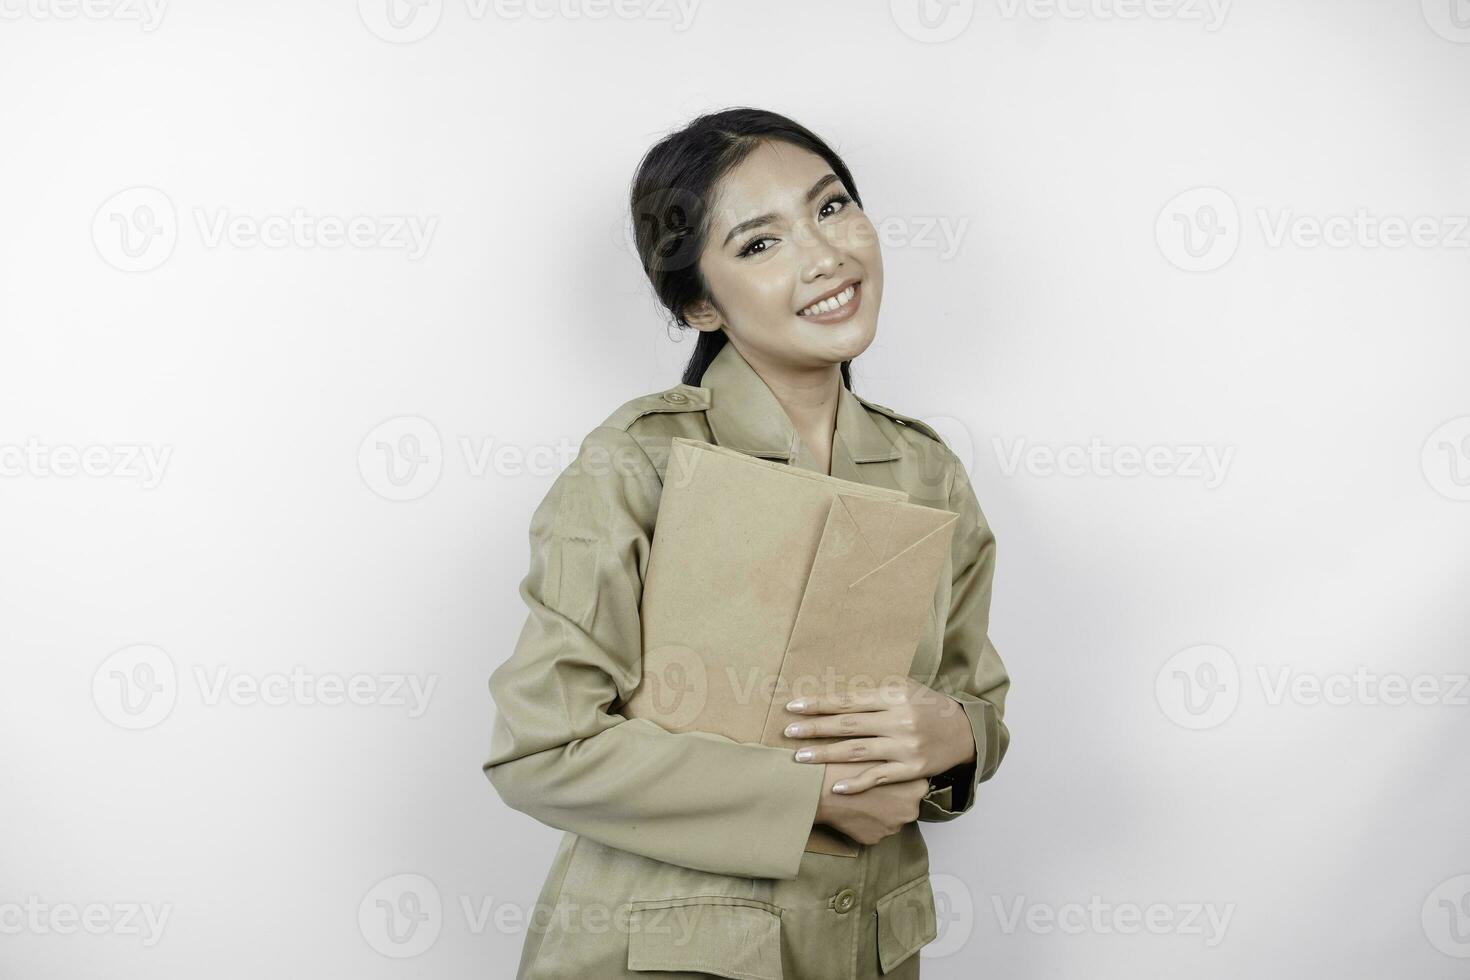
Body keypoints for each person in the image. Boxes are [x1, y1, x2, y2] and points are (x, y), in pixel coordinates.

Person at [484, 107, 1011, 979]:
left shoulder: (928, 471)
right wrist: (813, 796)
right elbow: (543, 750)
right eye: (761, 245)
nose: (825, 256)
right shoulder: (638, 461)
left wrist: (953, 734)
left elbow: (973, 704)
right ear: (699, 303)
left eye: (832, 207)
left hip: (864, 951)